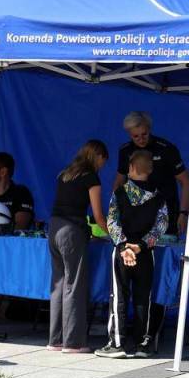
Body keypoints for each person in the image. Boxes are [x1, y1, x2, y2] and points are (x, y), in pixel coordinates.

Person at [97, 150, 169, 359]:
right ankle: (142, 344)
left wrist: (124, 246)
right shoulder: (159, 197)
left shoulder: (119, 193)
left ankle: (117, 343)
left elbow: (112, 222)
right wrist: (141, 246)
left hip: (122, 252)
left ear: (130, 168)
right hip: (145, 254)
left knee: (119, 296)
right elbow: (161, 226)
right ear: (150, 170)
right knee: (143, 298)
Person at [48, 139, 108, 353]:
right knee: (74, 285)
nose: (103, 166)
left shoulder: (64, 174)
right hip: (72, 231)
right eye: (103, 161)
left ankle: (55, 340)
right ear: (98, 156)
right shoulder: (91, 177)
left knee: (58, 284)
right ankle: (73, 343)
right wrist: (113, 234)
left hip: (54, 228)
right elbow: (98, 215)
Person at [114, 112, 189, 236]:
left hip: (165, 215)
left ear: (149, 129)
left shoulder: (166, 149)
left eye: (144, 134)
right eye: (136, 136)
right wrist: (116, 211)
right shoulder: (125, 150)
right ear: (129, 133)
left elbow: (185, 181)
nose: (141, 139)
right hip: (135, 217)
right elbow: (119, 182)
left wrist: (184, 213)